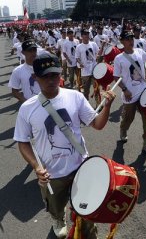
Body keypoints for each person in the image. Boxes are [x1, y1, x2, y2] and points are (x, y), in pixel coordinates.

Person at [13, 53, 116, 238]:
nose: (51, 80)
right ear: (35, 77)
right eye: (45, 76)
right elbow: (22, 141)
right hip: (52, 175)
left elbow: (98, 125)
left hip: (80, 166)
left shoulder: (75, 97)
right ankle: (58, 219)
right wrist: (37, 167)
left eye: (54, 75)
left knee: (86, 214)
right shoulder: (27, 108)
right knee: (55, 206)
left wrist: (107, 106)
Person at [113, 30, 146, 158]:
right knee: (129, 118)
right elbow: (116, 77)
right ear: (122, 42)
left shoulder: (139, 51)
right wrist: (125, 90)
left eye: (131, 38)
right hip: (129, 94)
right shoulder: (119, 58)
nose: (131, 41)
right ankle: (123, 129)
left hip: (143, 90)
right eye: (127, 39)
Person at [75, 29, 99, 100]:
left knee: (96, 88)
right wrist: (80, 63)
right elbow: (77, 57)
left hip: (94, 69)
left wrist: (98, 56)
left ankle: (98, 103)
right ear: (82, 36)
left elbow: (98, 53)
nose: (87, 35)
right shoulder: (79, 46)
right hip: (85, 71)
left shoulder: (93, 44)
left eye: (87, 34)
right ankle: (86, 104)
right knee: (86, 90)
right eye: (85, 34)